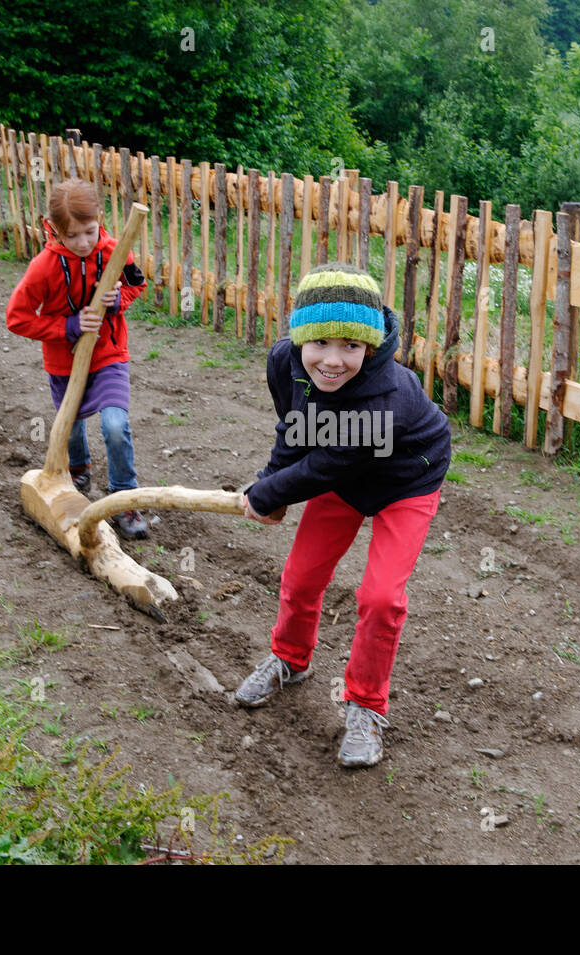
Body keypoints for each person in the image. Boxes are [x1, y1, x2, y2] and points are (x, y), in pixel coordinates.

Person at [235, 261, 451, 768]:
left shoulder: (388, 398)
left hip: (406, 480)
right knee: (302, 574)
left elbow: (327, 462)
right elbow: (295, 429)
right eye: (321, 344)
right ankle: (289, 660)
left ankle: (366, 706)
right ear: (299, 340)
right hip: (343, 477)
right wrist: (272, 485)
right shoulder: (282, 362)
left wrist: (266, 494)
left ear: (370, 348)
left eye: (351, 346)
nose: (332, 361)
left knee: (380, 597)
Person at [6, 179, 150, 539]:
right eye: (72, 236)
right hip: (65, 363)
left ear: (99, 218)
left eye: (89, 232)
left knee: (115, 426)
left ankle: (123, 498)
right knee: (69, 427)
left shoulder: (117, 251)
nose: (84, 243)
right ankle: (78, 470)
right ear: (54, 230)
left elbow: (137, 284)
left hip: (109, 354)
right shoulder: (44, 267)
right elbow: (17, 318)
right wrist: (68, 326)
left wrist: (118, 301)